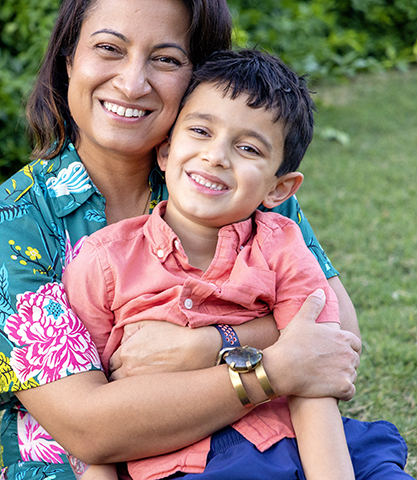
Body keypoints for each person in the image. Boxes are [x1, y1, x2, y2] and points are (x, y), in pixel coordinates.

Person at [0, 1, 365, 479]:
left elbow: (336, 331)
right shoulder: (6, 227)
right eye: (108, 49)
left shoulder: (227, 179)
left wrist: (206, 346)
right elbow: (90, 429)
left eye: (165, 59)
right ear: (68, 59)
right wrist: (273, 368)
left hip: (267, 449)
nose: (131, 82)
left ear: (196, 75)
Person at [62, 49, 411, 480]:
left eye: (247, 147)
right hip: (189, 463)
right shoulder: (103, 263)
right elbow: (96, 420)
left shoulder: (282, 245)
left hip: (308, 443)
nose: (216, 156)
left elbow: (315, 365)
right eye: (201, 131)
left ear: (280, 188)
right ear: (166, 151)